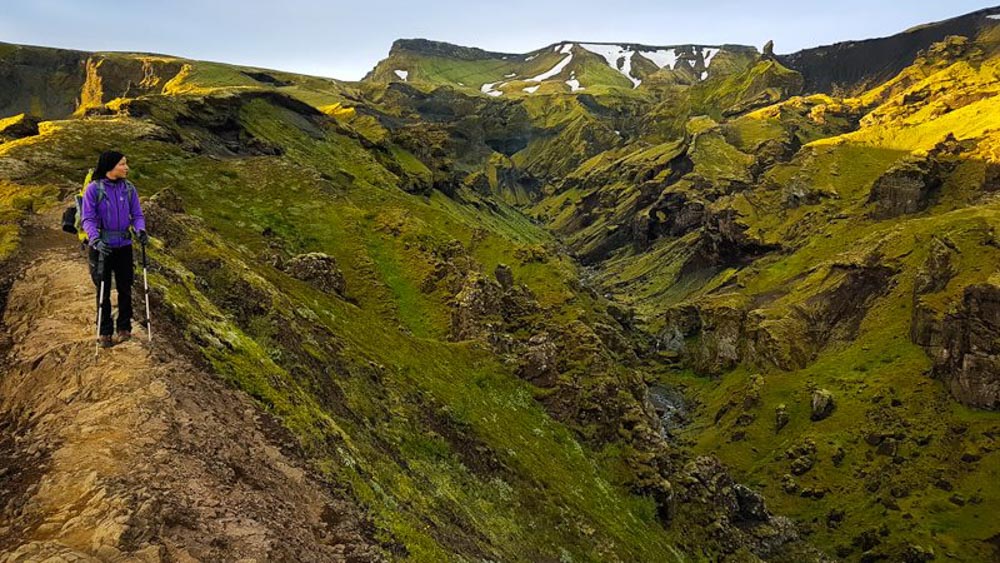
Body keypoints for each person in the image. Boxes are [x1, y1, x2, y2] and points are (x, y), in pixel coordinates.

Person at [81, 150, 149, 347]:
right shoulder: (94, 189)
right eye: (122, 164)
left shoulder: (129, 189)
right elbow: (88, 218)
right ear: (110, 167)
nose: (126, 168)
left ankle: (124, 329)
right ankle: (104, 331)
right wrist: (95, 239)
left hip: (124, 246)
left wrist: (140, 230)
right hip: (102, 247)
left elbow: (137, 214)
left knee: (125, 287)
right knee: (102, 289)